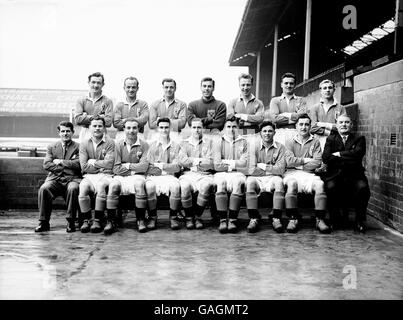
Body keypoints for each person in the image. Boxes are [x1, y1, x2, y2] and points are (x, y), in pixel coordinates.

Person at [322, 115, 370, 233]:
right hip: (335, 174)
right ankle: (334, 219)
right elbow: (326, 158)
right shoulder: (331, 139)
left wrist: (338, 154)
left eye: (347, 122)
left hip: (355, 174)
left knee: (363, 188)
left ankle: (359, 220)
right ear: (336, 124)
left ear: (351, 125)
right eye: (341, 122)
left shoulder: (359, 138)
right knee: (331, 187)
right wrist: (349, 155)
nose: (344, 124)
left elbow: (358, 154)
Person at [283, 114, 330, 233]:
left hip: (309, 174)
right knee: (292, 184)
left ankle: (320, 219)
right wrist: (307, 160)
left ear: (310, 126)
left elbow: (318, 161)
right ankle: (293, 218)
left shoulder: (315, 141)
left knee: (320, 185)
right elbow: (289, 162)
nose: (304, 127)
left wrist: (298, 163)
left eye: (307, 124)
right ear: (296, 126)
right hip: (291, 173)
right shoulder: (289, 142)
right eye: (301, 124)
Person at [35, 121, 81, 233]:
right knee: (44, 189)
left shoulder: (79, 147)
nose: (65, 134)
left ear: (73, 132)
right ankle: (44, 222)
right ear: (59, 133)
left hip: (72, 179)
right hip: (55, 179)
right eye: (63, 131)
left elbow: (79, 164)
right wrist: (66, 167)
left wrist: (60, 162)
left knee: (73, 189)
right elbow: (46, 164)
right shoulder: (52, 147)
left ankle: (71, 221)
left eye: (68, 131)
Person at [106, 118, 149, 234]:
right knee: (113, 185)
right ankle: (110, 220)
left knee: (140, 184)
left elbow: (144, 167)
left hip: (138, 176)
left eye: (134, 128)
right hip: (122, 176)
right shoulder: (118, 145)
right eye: (128, 128)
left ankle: (140, 219)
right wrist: (134, 169)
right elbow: (116, 168)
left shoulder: (144, 145)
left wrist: (128, 166)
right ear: (124, 129)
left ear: (139, 129)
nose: (131, 131)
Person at [245, 121, 286, 233]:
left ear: (274, 133)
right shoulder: (253, 147)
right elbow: (251, 169)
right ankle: (253, 218)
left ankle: (276, 217)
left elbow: (281, 169)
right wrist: (271, 169)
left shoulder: (281, 148)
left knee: (279, 182)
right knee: (250, 183)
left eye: (270, 131)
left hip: (274, 177)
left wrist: (263, 166)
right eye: (264, 131)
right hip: (258, 177)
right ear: (260, 133)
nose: (267, 133)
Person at [78, 116, 115, 233]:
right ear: (89, 127)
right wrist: (100, 167)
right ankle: (86, 220)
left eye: (100, 126)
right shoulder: (84, 143)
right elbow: (83, 166)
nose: (97, 128)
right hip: (90, 176)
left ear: (104, 128)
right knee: (83, 187)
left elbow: (109, 164)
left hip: (106, 175)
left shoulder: (110, 142)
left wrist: (93, 162)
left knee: (101, 187)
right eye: (94, 126)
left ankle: (97, 220)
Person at [145, 117, 182, 230]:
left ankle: (173, 217)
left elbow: (176, 167)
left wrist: (160, 166)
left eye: (166, 127)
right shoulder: (151, 145)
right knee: (150, 187)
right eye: (161, 127)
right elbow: (149, 167)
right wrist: (166, 167)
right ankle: (152, 217)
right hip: (154, 177)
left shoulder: (176, 146)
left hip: (170, 177)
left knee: (175, 186)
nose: (164, 130)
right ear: (157, 129)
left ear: (170, 128)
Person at [213, 116, 248, 234]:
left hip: (238, 173)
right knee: (220, 183)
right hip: (221, 173)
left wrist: (226, 162)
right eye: (228, 127)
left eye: (234, 126)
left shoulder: (244, 141)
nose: (231, 129)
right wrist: (234, 164)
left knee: (238, 183)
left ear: (238, 127)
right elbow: (217, 165)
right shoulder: (218, 141)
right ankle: (223, 220)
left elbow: (244, 164)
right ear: (224, 128)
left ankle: (232, 219)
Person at [178, 118, 214, 230]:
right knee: (184, 186)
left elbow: (210, 162)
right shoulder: (184, 143)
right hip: (188, 174)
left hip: (205, 174)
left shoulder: (209, 143)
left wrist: (192, 161)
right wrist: (199, 161)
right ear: (190, 129)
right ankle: (189, 217)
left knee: (206, 186)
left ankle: (197, 216)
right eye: (194, 127)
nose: (197, 130)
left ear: (203, 128)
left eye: (199, 127)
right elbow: (182, 161)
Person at [268, 72, 306, 145]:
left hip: (296, 133)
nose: (288, 85)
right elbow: (275, 119)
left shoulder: (301, 100)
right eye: (286, 83)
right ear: (281, 84)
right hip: (280, 133)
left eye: (291, 83)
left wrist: (284, 114)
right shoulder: (275, 100)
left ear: (295, 85)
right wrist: (294, 118)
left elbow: (302, 117)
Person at [73, 72, 113, 142]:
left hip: (101, 132)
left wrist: (86, 117)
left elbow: (109, 122)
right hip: (86, 132)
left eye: (98, 83)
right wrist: (101, 117)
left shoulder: (108, 101)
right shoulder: (81, 100)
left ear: (103, 84)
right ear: (89, 83)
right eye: (93, 82)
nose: (95, 85)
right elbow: (77, 119)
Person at [309, 79, 346, 150]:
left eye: (330, 87)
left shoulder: (341, 108)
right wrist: (330, 131)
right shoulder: (315, 108)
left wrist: (322, 124)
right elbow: (312, 127)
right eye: (325, 88)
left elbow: (342, 127)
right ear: (321, 91)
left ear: (334, 90)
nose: (327, 90)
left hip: (335, 142)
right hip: (318, 142)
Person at [113, 76, 149, 141]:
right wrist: (136, 120)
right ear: (124, 88)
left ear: (137, 88)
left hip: (138, 134)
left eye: (133, 87)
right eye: (128, 87)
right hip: (122, 134)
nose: (131, 90)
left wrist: (124, 120)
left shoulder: (143, 104)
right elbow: (116, 123)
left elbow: (143, 121)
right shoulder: (119, 105)